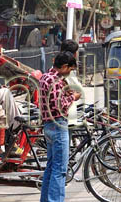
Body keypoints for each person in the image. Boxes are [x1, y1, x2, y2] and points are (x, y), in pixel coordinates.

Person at [39, 52, 81, 202]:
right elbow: (59, 106)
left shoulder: (45, 77)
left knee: (51, 168)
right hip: (58, 125)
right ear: (64, 67)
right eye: (69, 69)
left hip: (48, 125)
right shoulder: (55, 80)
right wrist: (73, 97)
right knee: (59, 169)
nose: (69, 72)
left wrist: (66, 92)